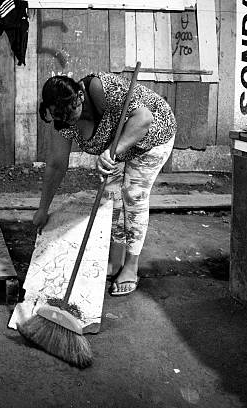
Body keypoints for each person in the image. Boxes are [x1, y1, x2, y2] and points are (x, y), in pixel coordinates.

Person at [33, 71, 177, 297]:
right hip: (120, 147)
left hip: (153, 135)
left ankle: (131, 267)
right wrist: (43, 209)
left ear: (79, 97)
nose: (66, 121)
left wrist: (111, 152)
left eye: (70, 114)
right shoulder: (63, 119)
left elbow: (144, 118)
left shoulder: (99, 89)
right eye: (58, 116)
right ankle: (115, 262)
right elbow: (56, 165)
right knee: (110, 198)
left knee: (133, 194)